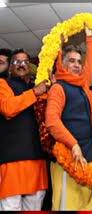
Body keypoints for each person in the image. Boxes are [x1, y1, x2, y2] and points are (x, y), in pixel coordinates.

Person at [45, 26, 92, 210]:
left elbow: (90, 64)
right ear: (63, 64)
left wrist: (89, 36)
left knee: (85, 206)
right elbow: (51, 121)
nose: (77, 65)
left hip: (87, 158)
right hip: (68, 158)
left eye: (78, 62)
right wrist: (74, 144)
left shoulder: (82, 84)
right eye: (72, 61)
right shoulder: (58, 88)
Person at [0, 48, 48, 210]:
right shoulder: (3, 84)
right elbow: (7, 108)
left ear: (30, 66)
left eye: (25, 62)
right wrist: (35, 92)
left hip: (37, 160)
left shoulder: (38, 86)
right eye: (16, 62)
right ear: (10, 67)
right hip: (12, 162)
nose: (21, 65)